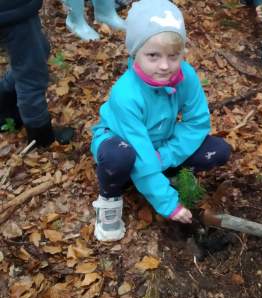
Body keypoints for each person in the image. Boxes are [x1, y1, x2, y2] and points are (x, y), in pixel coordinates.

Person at [90, 0, 231, 241]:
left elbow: (197, 123)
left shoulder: (185, 76)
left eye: (173, 56)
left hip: (161, 143)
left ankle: (161, 175)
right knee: (120, 156)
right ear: (135, 53)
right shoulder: (126, 94)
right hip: (122, 142)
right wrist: (169, 205)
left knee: (218, 151)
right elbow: (141, 150)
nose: (165, 66)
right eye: (153, 55)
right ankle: (110, 197)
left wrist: (164, 156)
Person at [0, 0, 74, 147]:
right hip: (11, 10)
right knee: (31, 74)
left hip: (13, 9)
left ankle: (4, 106)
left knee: (39, 50)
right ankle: (41, 136)